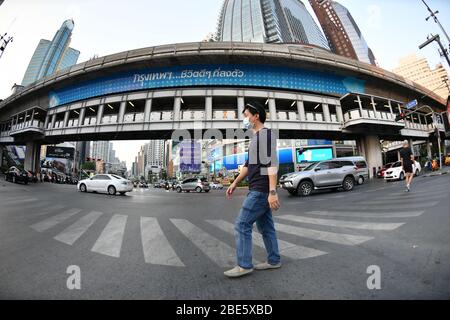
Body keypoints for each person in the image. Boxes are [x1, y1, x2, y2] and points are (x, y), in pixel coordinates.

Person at [224, 101, 281, 278]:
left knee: (242, 224)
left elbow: (272, 163)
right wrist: (234, 182)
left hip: (260, 189)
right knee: (266, 227)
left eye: (246, 115)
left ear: (256, 116)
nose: (244, 119)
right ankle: (274, 260)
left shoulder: (265, 135)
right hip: (258, 188)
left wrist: (272, 191)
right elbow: (248, 166)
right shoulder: (256, 138)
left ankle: (244, 264)